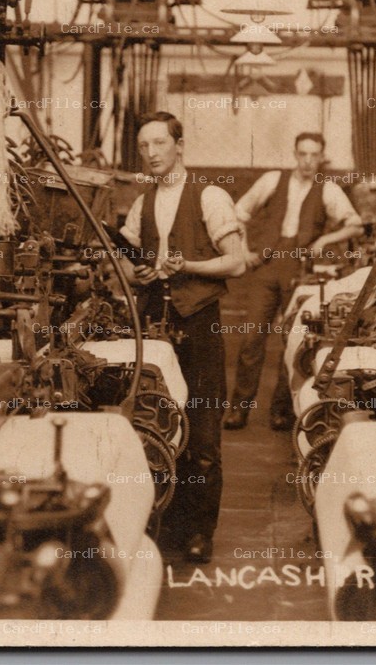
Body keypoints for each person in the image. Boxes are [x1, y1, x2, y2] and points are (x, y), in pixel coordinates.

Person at [117, 112, 246, 564]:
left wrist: (186, 266)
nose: (151, 153)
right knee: (158, 425)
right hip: (155, 326)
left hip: (199, 323)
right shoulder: (141, 203)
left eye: (159, 144)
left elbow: (236, 262)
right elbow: (124, 261)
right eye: (143, 146)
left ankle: (199, 532)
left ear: (179, 145)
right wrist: (138, 272)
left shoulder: (210, 196)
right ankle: (164, 526)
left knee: (204, 430)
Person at [225, 131, 363, 432]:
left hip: (300, 273)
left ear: (321, 157)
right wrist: (245, 248)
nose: (308, 161)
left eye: (314, 155)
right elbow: (239, 212)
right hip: (265, 266)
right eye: (303, 154)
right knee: (251, 340)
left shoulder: (327, 189)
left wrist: (325, 238)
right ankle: (238, 410)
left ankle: (281, 412)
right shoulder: (273, 180)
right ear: (295, 154)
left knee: (293, 344)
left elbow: (355, 225)